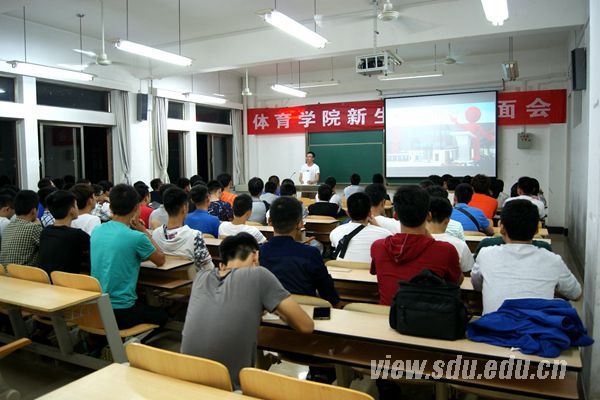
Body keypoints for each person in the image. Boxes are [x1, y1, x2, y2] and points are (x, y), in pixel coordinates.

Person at [181, 232, 313, 389]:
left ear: (222, 264)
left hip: (186, 378)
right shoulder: (259, 275)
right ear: (255, 256)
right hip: (228, 389)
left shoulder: (200, 277)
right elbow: (306, 326)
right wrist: (279, 311)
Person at [471, 200, 581, 315]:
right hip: (536, 325)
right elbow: (576, 294)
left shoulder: (485, 254)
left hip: (494, 325)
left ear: (502, 228)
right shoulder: (553, 260)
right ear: (537, 230)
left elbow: (477, 285)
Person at [91, 184, 167, 329]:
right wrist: (143, 230)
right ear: (136, 208)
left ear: (111, 207)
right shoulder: (137, 237)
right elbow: (160, 259)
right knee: (163, 315)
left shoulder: (97, 230)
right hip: (122, 310)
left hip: (97, 306)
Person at [371, 186, 463, 306]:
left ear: (395, 215)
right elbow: (457, 281)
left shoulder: (378, 247)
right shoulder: (446, 250)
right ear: (429, 216)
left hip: (388, 313)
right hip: (426, 314)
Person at [260, 196, 340, 306]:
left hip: (269, 312)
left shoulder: (258, 253)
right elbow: (328, 293)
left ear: (269, 221)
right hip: (305, 311)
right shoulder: (311, 254)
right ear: (300, 224)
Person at [152, 187, 213, 270]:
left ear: (165, 208)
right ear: (184, 208)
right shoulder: (194, 236)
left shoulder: (155, 235)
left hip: (162, 277)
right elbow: (209, 268)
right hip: (193, 278)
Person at [330, 192, 390, 263]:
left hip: (342, 269)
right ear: (370, 213)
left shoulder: (335, 232)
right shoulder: (385, 234)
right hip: (369, 270)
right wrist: (377, 226)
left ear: (348, 213)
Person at [39, 190, 90, 274]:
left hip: (47, 280)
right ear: (72, 210)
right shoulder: (77, 235)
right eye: (76, 205)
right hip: (68, 281)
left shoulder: (45, 232)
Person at [426, 197, 474, 273]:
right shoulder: (460, 245)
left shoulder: (414, 242)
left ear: (427, 215)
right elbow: (467, 271)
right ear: (448, 220)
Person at [0, 190, 43, 267]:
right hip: (24, 274)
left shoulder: (8, 227)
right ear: (34, 211)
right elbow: (50, 249)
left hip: (6, 273)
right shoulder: (34, 228)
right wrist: (40, 226)